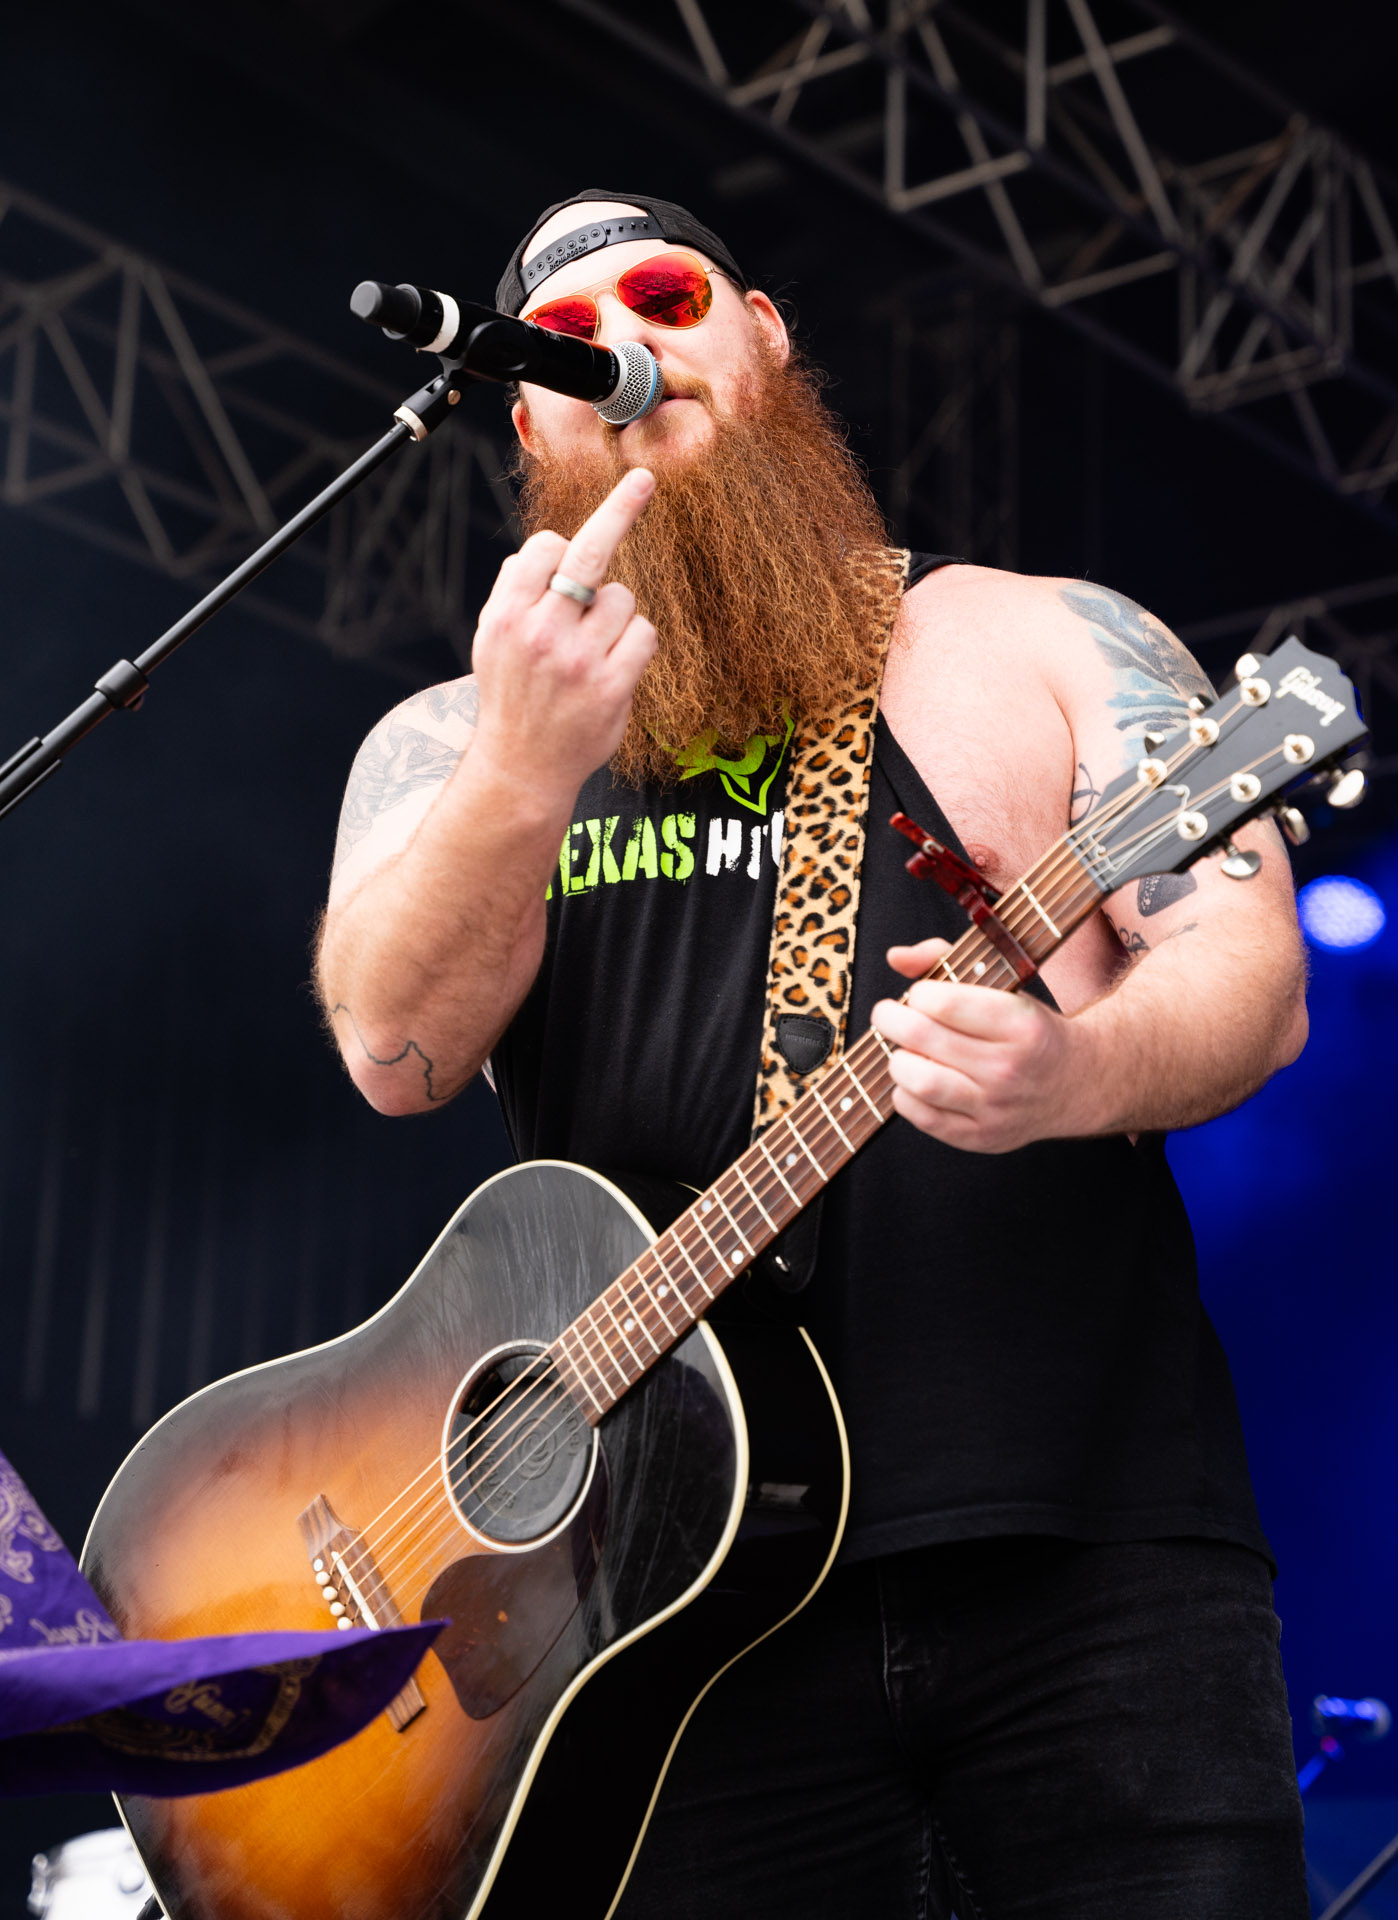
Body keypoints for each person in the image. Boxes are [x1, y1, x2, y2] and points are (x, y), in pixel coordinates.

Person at [314, 190, 1311, 1918]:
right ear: (530, 418)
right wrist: (522, 772)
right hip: (658, 1618)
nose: (630, 344)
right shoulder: (452, 740)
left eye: (669, 296)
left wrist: (1077, 1076)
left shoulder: (1029, 637)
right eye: (573, 335)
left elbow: (1249, 973)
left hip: (1083, 1548)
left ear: (763, 333)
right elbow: (397, 1051)